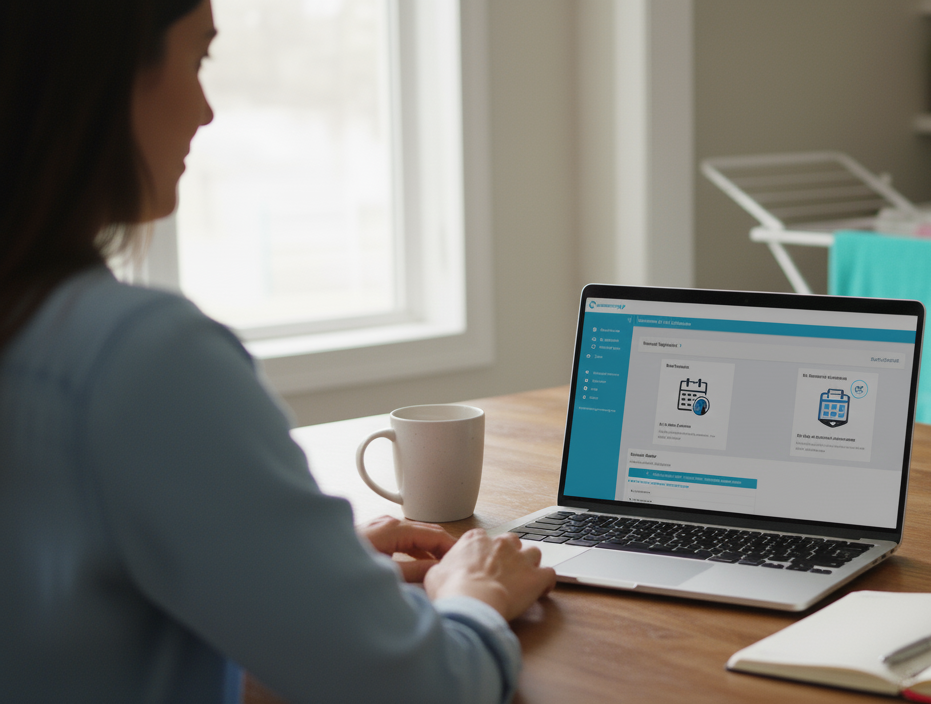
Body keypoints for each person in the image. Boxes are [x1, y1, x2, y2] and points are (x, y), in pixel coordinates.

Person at [0, 1, 556, 702]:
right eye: (197, 58)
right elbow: (423, 689)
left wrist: (298, 573)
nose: (205, 111)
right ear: (102, 75)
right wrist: (473, 595)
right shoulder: (142, 359)